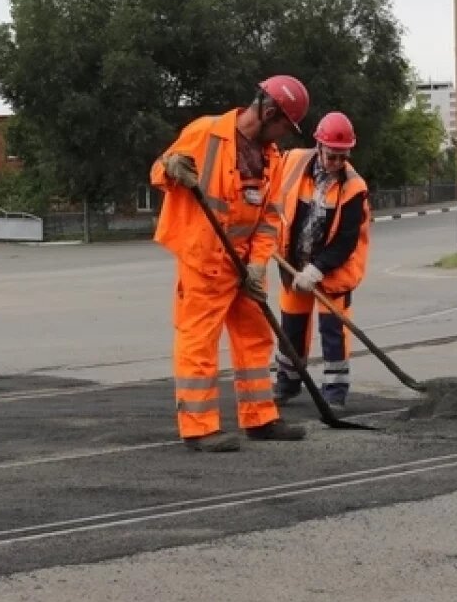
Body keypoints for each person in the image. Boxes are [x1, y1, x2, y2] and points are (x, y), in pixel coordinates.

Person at [150, 75, 311, 453]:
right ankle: (199, 427)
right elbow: (159, 171)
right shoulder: (205, 132)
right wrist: (171, 168)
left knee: (255, 336)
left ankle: (260, 418)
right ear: (269, 111)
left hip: (244, 264)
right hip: (204, 260)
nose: (285, 135)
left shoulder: (271, 158)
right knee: (199, 343)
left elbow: (270, 216)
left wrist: (256, 265)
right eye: (285, 125)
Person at [272, 111, 371, 408]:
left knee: (333, 332)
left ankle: (334, 394)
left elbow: (346, 240)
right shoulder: (292, 163)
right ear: (319, 147)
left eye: (343, 157)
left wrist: (317, 269)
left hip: (333, 271)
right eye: (332, 156)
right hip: (293, 265)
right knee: (291, 327)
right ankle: (287, 384)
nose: (337, 163)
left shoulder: (354, 188)